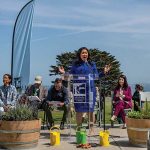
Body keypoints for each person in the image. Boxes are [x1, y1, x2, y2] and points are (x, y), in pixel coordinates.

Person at [59, 47, 111, 132]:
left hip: (90, 90)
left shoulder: (91, 64)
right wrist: (64, 73)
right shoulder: (75, 64)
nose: (84, 54)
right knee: (79, 110)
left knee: (90, 110)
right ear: (79, 54)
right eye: (83, 53)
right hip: (79, 89)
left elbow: (96, 76)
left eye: (86, 53)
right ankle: (79, 129)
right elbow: (70, 75)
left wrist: (104, 72)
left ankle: (91, 129)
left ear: (88, 54)